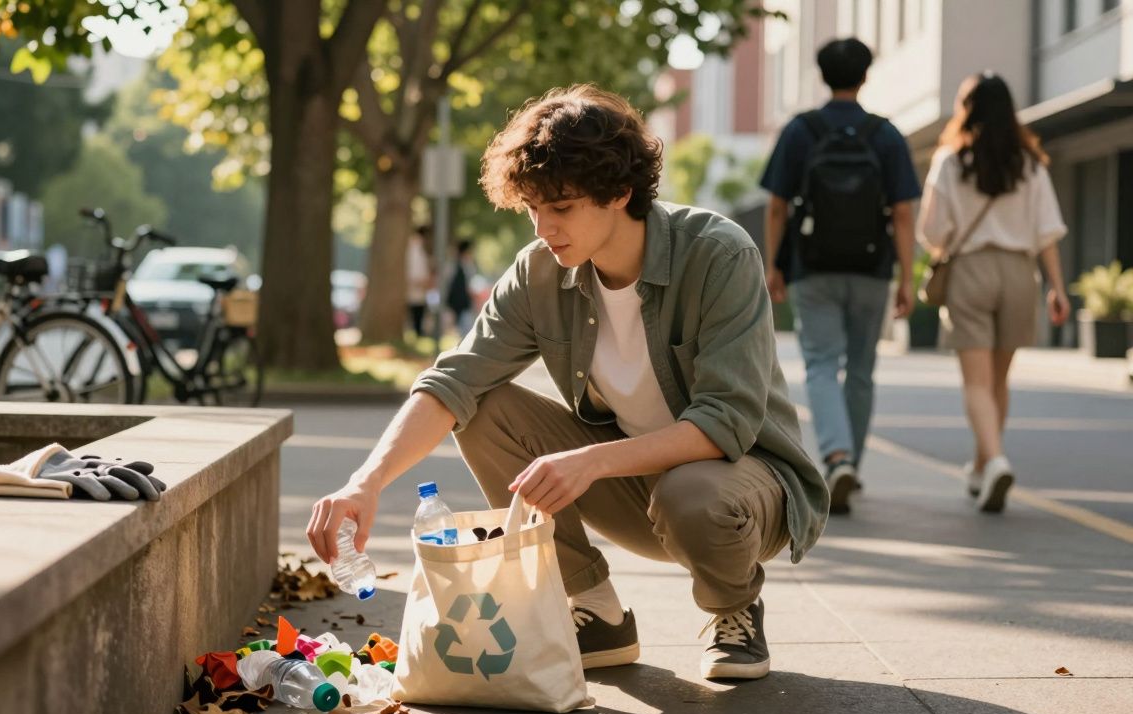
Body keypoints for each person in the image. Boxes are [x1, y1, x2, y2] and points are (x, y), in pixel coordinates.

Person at [307, 84, 827, 681]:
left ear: (619, 192)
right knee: (482, 406)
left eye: (562, 207)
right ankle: (596, 611)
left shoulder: (718, 255)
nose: (543, 226)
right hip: (633, 484)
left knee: (693, 493)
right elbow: (454, 379)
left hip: (741, 492)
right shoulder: (540, 272)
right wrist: (364, 484)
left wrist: (589, 461)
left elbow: (726, 422)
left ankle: (733, 609)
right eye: (532, 207)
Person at [759, 38, 922, 514]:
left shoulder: (801, 131)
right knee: (863, 369)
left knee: (822, 363)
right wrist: (907, 277)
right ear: (866, 76)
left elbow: (776, 206)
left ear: (822, 76)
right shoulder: (885, 134)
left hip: (814, 269)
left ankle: (836, 456)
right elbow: (904, 213)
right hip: (873, 269)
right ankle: (851, 461)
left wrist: (774, 264)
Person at [916, 72, 1070, 512]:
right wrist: (1057, 289)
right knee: (1000, 380)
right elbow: (1047, 234)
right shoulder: (1030, 164)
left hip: (971, 272)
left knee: (976, 382)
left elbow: (933, 232)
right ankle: (984, 466)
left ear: (967, 109)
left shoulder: (950, 162)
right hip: (1021, 273)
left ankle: (995, 460)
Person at [405, 226, 434, 338]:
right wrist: (423, 282)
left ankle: (419, 333)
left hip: (420, 289)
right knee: (416, 313)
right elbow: (413, 272)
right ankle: (417, 333)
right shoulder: (415, 248)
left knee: (419, 312)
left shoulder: (419, 249)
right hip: (416, 288)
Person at [445, 238, 476, 337]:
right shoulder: (453, 265)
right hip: (454, 303)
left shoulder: (467, 266)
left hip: (463, 303)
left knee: (465, 330)